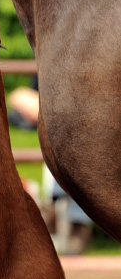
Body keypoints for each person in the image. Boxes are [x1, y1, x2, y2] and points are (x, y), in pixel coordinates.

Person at [7, 79, 92, 254]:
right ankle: (63, 213)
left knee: (72, 135)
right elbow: (19, 96)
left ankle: (58, 208)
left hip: (75, 124)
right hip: (56, 119)